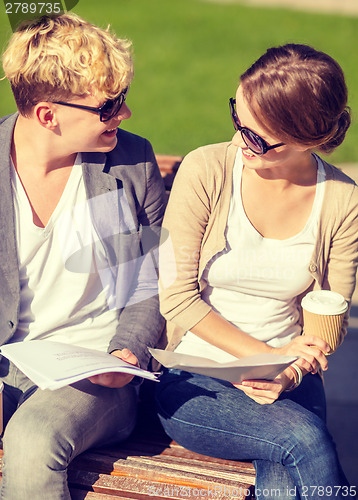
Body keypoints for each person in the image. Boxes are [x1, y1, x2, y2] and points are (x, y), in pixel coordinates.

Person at [156, 44, 358, 499]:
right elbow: (176, 297)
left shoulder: (343, 200)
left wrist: (288, 371)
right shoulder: (206, 169)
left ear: (309, 139)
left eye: (259, 138)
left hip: (291, 377)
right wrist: (261, 360)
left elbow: (331, 317)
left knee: (289, 472)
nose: (240, 142)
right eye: (237, 120)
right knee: (305, 440)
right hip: (197, 376)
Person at [0, 13, 166, 499]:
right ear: (48, 115)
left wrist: (128, 352)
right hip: (9, 364)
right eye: (108, 106)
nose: (125, 115)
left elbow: (150, 280)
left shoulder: (131, 162)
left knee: (31, 442)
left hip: (95, 372)